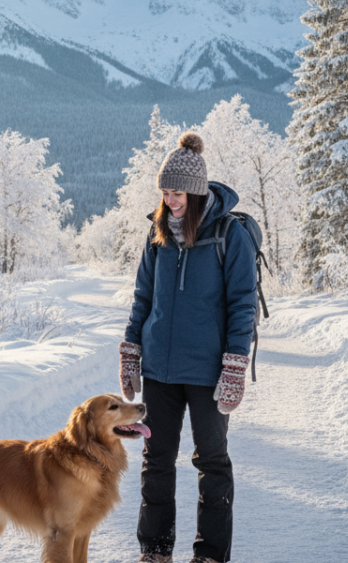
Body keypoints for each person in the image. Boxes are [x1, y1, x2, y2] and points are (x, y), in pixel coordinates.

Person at [119, 131, 257, 563]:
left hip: (207, 371)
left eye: (177, 193)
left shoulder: (228, 236)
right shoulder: (156, 235)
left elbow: (242, 303)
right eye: (164, 192)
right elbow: (144, 296)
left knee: (211, 461)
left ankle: (210, 554)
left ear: (196, 193)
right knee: (156, 459)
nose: (170, 200)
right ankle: (155, 551)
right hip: (159, 369)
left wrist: (235, 364)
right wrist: (131, 349)